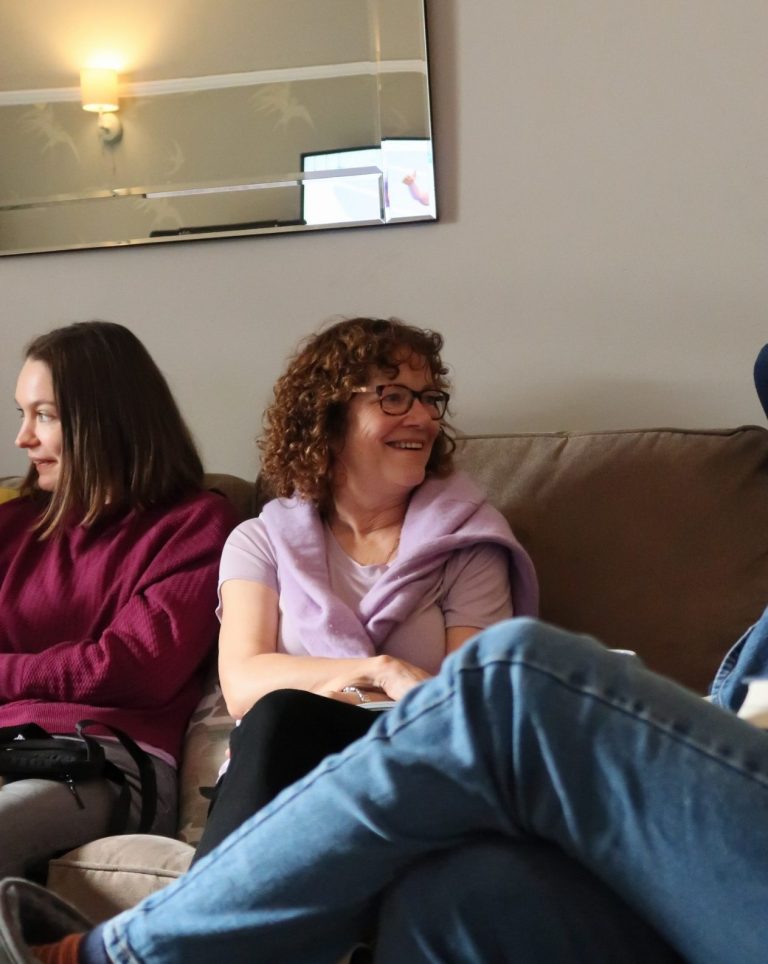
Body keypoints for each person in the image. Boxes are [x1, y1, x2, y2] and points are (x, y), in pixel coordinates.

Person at [4, 613, 768, 963]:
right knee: (465, 891)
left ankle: (123, 958)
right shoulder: (272, 532)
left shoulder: (462, 529)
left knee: (512, 681)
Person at [194, 316, 539, 859]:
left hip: (416, 769)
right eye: (395, 397)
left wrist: (327, 690)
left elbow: (463, 705)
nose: (424, 417)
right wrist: (379, 670)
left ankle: (193, 927)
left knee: (283, 712)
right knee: (276, 717)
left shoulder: (468, 544)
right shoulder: (259, 542)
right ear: (329, 418)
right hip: (287, 775)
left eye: (430, 398)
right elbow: (242, 681)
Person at [0, 320, 236, 879]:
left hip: (96, 759)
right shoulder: (11, 525)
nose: (22, 438)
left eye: (45, 415)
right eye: (22, 414)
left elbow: (133, 668)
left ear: (104, 421)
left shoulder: (196, 524)